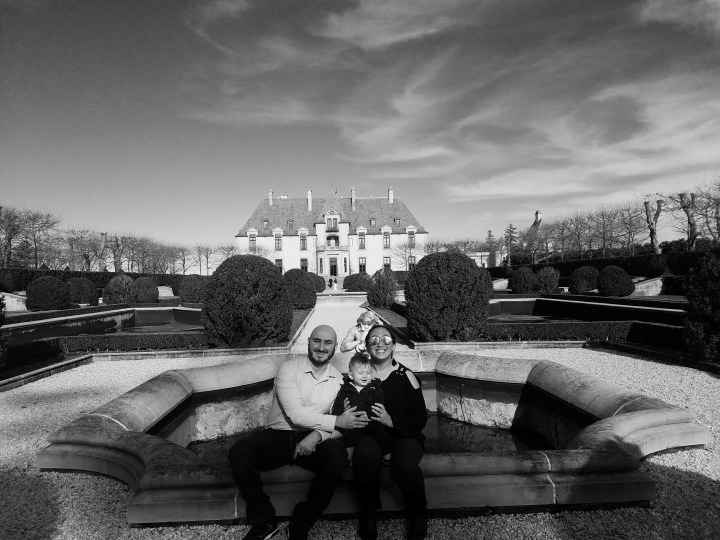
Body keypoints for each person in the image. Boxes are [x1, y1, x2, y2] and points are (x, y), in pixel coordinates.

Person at [228, 325, 370, 540]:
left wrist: (315, 436)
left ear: (334, 347)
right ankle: (264, 519)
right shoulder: (288, 369)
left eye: (328, 343)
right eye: (317, 341)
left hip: (312, 437)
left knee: (337, 456)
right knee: (239, 453)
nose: (321, 347)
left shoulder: (340, 381)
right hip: (278, 433)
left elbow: (343, 425)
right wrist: (337, 421)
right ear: (309, 342)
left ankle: (302, 522)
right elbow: (296, 414)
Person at [352, 325, 428, 540]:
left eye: (386, 339)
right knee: (365, 456)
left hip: (405, 434)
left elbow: (420, 418)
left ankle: (418, 512)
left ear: (394, 345)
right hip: (371, 434)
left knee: (403, 464)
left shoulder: (406, 375)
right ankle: (368, 512)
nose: (380, 344)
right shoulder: (359, 376)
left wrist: (391, 420)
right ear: (366, 346)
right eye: (374, 339)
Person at [331, 354, 392, 480]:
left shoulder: (375, 389)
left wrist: (371, 414)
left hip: (372, 422)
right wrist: (340, 414)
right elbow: (338, 405)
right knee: (349, 439)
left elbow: (379, 405)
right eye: (361, 373)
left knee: (384, 437)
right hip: (354, 422)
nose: (365, 376)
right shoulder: (345, 390)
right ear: (351, 375)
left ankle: (387, 463)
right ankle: (349, 464)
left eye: (368, 372)